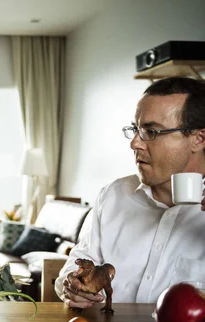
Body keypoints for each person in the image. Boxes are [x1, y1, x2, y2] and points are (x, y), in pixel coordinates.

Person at [55, 76, 205, 308]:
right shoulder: (114, 195)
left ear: (199, 138)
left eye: (151, 132)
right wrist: (72, 283)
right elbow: (80, 261)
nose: (135, 143)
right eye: (136, 129)